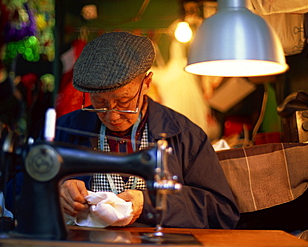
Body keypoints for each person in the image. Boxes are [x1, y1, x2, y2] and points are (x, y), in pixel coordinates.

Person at [55, 31, 239, 229]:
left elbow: (222, 212)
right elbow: (20, 192)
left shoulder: (185, 135)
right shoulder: (66, 129)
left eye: (123, 101)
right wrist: (55, 191)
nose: (112, 115)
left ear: (147, 83)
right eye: (100, 103)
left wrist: (149, 203)